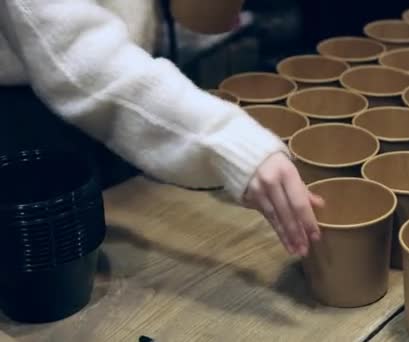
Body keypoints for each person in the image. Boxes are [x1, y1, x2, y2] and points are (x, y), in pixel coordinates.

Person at [0, 0, 323, 257]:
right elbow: (80, 59)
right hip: (36, 120)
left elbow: (201, 19)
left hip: (129, 96)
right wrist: (227, 140)